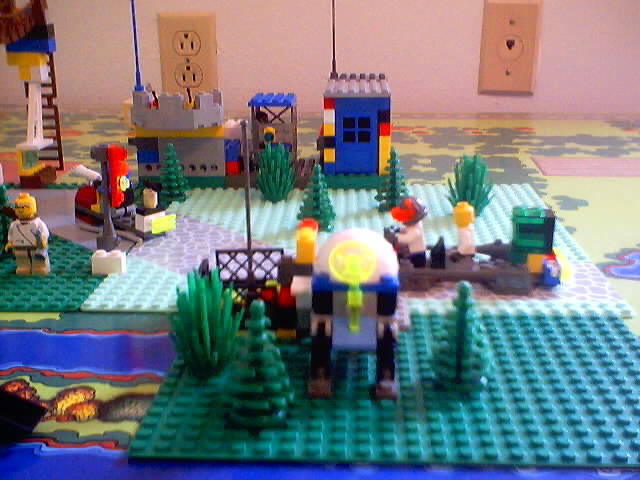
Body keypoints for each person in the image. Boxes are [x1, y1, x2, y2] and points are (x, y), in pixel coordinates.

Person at [4, 193, 50, 275]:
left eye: (24, 207)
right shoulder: (14, 224)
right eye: (17, 207)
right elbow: (11, 233)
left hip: (35, 245)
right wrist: (10, 242)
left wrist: (43, 240)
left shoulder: (37, 223)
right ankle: (23, 267)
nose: (20, 210)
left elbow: (44, 232)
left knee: (38, 258)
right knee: (21, 257)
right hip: (19, 245)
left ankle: (39, 268)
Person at [389, 197, 427, 268]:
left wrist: (395, 236)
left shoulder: (416, 230)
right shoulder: (413, 225)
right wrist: (398, 229)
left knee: (416, 266)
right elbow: (407, 229)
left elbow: (407, 238)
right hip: (411, 251)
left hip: (416, 253)